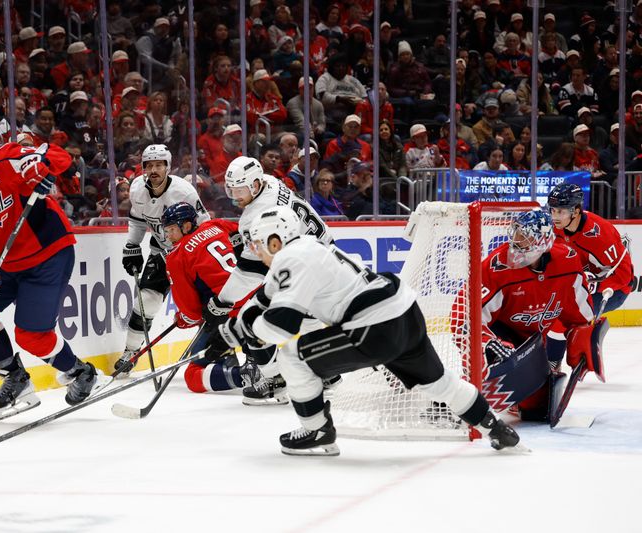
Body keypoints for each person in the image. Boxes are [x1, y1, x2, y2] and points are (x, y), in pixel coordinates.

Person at [204, 207, 521, 455]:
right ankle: (495, 428)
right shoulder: (307, 248)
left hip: (373, 326)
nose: (255, 252)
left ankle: (317, 432)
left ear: (276, 240)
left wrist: (246, 333)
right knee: (438, 382)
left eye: (258, 245)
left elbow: (279, 327)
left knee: (292, 357)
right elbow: (263, 298)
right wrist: (235, 325)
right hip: (405, 312)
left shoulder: (292, 258)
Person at [0, 123, 99, 421]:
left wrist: (40, 168)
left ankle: (81, 372)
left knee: (31, 336)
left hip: (48, 253)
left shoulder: (7, 158)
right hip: (7, 264)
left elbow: (58, 157)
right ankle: (16, 378)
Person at [207, 156, 333, 405]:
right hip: (322, 251)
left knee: (253, 318)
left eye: (239, 190)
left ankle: (278, 379)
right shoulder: (269, 181)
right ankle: (324, 373)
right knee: (308, 321)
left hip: (302, 265)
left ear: (254, 186)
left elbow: (249, 272)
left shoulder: (255, 215)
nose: (234, 197)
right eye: (230, 189)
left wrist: (222, 302)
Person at [452, 209, 597, 421]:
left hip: (532, 344)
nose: (517, 243)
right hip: (499, 335)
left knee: (537, 411)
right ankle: (460, 394)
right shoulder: (496, 267)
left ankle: (512, 394)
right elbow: (461, 316)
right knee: (493, 360)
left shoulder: (567, 263)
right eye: (517, 234)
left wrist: (584, 336)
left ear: (544, 241)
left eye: (525, 238)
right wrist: (486, 343)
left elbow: (581, 315)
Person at [115, 144, 210, 375]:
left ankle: (217, 353)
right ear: (143, 168)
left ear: (167, 166)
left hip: (189, 254)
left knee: (209, 306)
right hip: (161, 252)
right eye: (149, 165)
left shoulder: (184, 191)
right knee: (145, 301)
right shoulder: (137, 188)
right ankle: (130, 353)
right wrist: (132, 245)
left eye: (159, 165)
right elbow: (137, 220)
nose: (154, 169)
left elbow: (205, 224)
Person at [160, 202, 259, 395]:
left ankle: (246, 375)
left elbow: (192, 312)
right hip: (257, 300)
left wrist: (182, 320)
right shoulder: (215, 225)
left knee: (193, 376)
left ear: (186, 226)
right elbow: (242, 230)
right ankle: (256, 363)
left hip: (228, 314)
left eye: (171, 230)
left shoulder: (176, 256)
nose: (168, 236)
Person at [548, 183, 634, 314]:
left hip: (615, 289)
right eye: (553, 210)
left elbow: (624, 275)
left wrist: (597, 284)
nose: (555, 217)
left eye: (560, 211)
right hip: (582, 282)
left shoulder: (600, 236)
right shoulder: (557, 227)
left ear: (576, 211)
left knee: (568, 314)